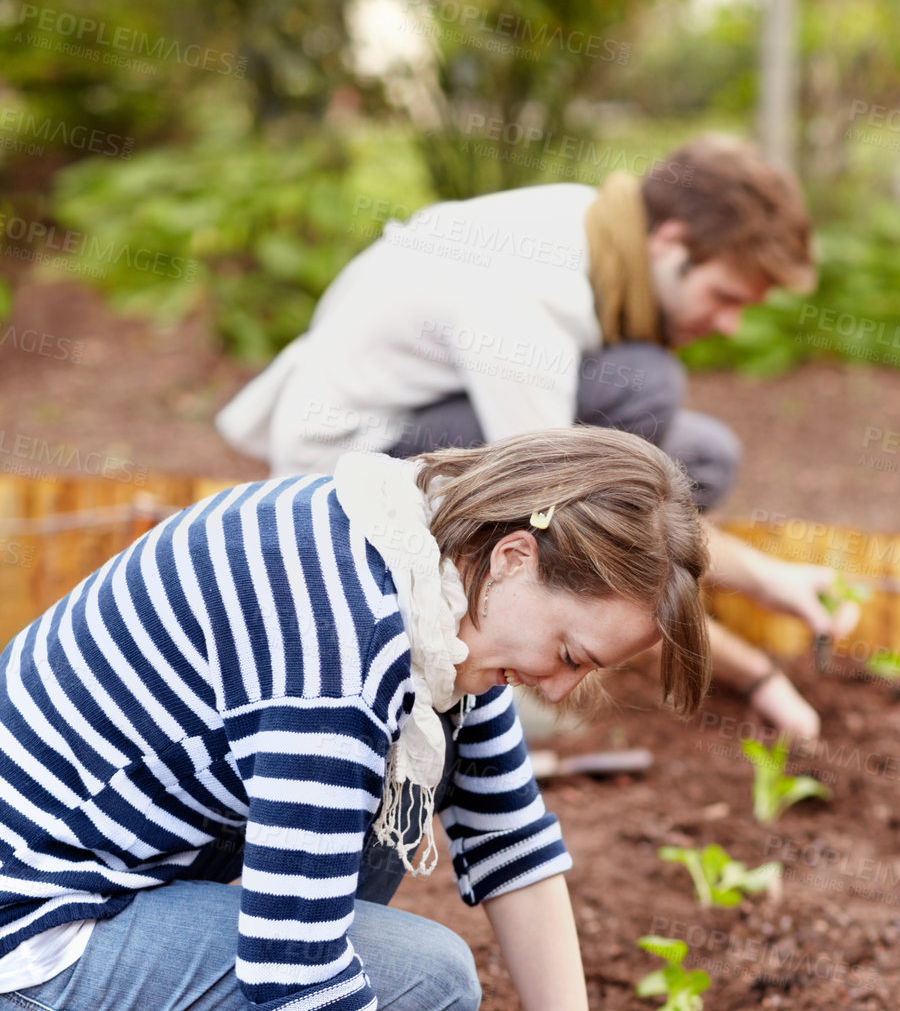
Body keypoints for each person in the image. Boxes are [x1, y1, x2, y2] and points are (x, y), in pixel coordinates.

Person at [0, 427, 708, 1011]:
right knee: (425, 985)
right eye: (568, 654)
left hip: (114, 865)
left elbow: (511, 843)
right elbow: (291, 970)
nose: (556, 688)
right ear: (518, 555)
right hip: (31, 931)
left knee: (373, 817)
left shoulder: (430, 572)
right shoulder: (343, 640)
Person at [217, 135, 857, 740]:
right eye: (723, 296)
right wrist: (759, 662)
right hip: (344, 477)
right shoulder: (531, 295)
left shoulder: (594, 228)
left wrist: (761, 580)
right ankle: (496, 651)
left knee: (699, 457)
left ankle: (546, 619)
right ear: (671, 240)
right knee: (645, 394)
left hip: (414, 420)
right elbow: (578, 512)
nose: (731, 324)